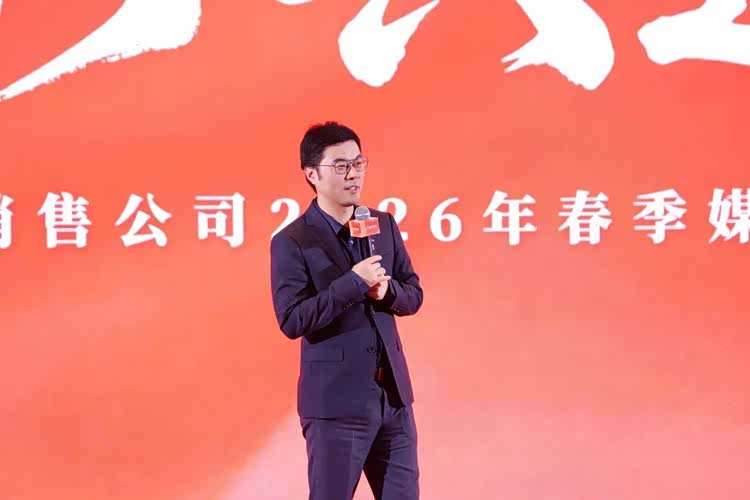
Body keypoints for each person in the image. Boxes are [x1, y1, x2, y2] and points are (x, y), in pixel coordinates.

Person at [270, 121, 423, 500]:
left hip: (393, 399)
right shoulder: (293, 240)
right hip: (336, 406)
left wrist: (387, 291)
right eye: (340, 166)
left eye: (358, 163)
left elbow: (413, 294)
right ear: (312, 174)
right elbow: (292, 319)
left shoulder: (382, 224)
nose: (353, 174)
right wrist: (353, 283)